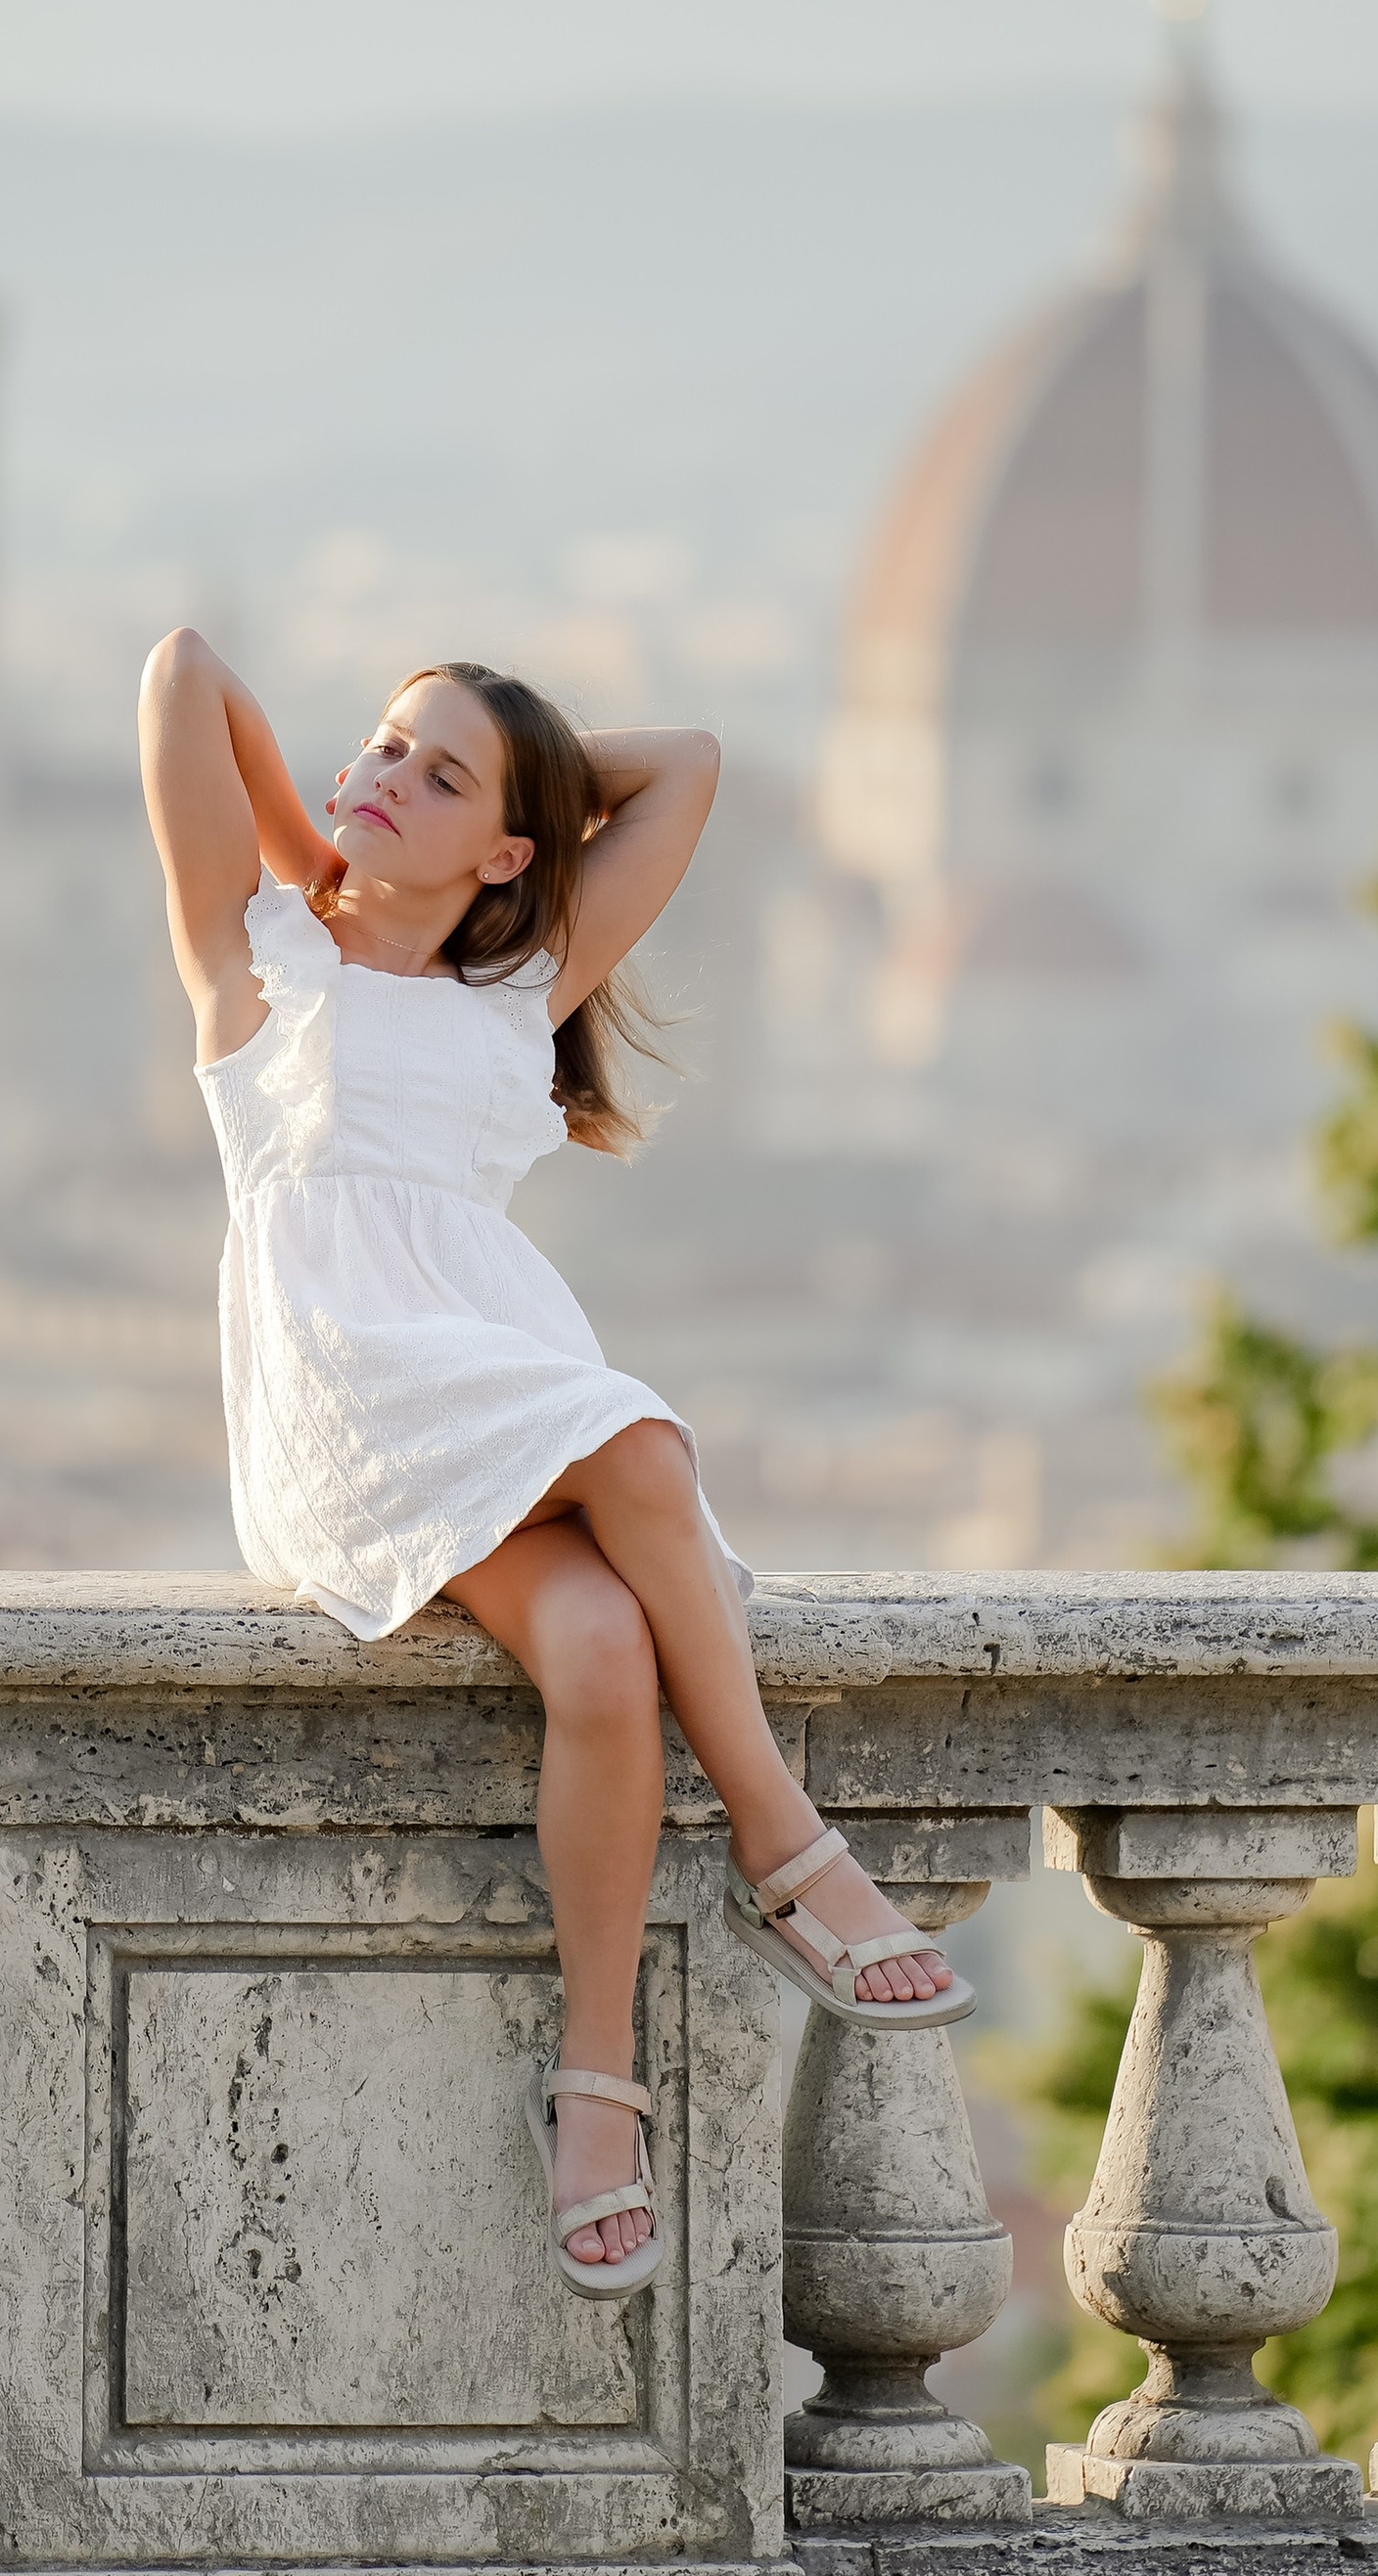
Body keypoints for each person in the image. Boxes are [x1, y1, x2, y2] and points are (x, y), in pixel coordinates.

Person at [137, 630, 968, 2303]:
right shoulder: (262, 962)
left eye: (441, 777)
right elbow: (183, 673)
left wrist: (479, 816)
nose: (385, 775)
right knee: (642, 1440)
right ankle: (791, 1852)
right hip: (348, 1407)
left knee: (601, 1651)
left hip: (492, 1385)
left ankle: (599, 2091)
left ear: (517, 850)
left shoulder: (524, 988)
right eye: (381, 744)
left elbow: (694, 763)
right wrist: (333, 847)